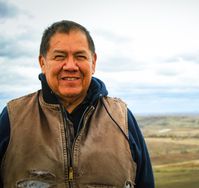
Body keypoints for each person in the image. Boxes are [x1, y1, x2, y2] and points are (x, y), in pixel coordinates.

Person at [0, 20, 154, 188]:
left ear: (93, 62)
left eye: (80, 56)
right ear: (43, 63)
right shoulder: (13, 118)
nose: (71, 66)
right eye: (60, 56)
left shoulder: (122, 118)